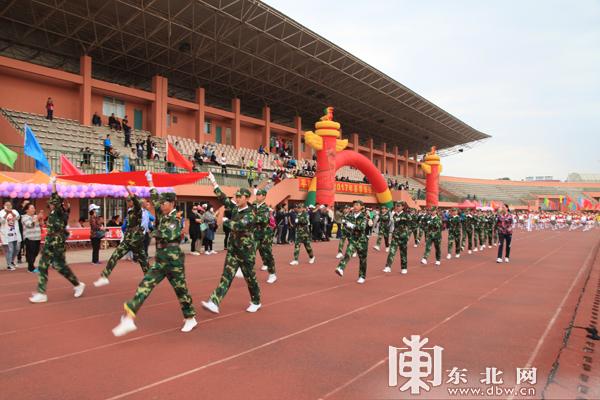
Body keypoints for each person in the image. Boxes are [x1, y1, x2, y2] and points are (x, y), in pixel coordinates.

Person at [112, 172, 197, 336]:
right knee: (145, 285)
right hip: (161, 260)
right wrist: (149, 180)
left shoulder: (175, 218)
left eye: (164, 203)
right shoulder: (163, 214)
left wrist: (154, 232)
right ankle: (129, 319)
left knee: (181, 290)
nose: (160, 205)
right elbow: (154, 197)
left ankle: (190, 317)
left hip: (174, 260)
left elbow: (168, 234)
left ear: (171, 203)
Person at [201, 172, 261, 314]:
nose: (236, 198)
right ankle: (214, 302)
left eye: (239, 196)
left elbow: (239, 226)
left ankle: (256, 301)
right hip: (234, 249)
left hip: (246, 252)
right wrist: (213, 182)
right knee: (226, 275)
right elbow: (223, 198)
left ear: (246, 198)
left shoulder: (250, 214)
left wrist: (227, 222)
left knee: (250, 278)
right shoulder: (235, 208)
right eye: (236, 196)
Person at [29, 176, 85, 303]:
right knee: (43, 265)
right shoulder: (53, 213)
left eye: (53, 201)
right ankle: (42, 293)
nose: (50, 202)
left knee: (60, 266)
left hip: (57, 242)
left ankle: (77, 284)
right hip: (50, 241)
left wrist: (54, 184)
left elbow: (56, 198)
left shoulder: (61, 212)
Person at [94, 187, 150, 287]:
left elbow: (136, 201)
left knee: (143, 261)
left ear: (132, 202)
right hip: (128, 239)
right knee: (115, 255)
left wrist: (127, 189)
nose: (127, 203)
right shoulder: (129, 211)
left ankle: (149, 279)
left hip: (136, 240)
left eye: (128, 201)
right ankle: (104, 276)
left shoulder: (138, 210)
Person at [335, 200, 368, 283]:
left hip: (362, 240)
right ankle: (341, 268)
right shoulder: (350, 216)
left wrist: (352, 225)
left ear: (361, 207)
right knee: (348, 253)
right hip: (353, 238)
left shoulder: (364, 216)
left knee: (362, 259)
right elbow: (345, 224)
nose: (355, 206)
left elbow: (362, 228)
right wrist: (346, 224)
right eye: (354, 205)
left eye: (357, 205)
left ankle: (362, 276)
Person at [254, 189, 276, 283]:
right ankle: (242, 269)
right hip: (255, 234)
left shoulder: (266, 208)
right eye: (257, 194)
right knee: (249, 251)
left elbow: (262, 220)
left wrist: (252, 217)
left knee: (267, 255)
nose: (257, 196)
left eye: (259, 195)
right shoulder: (254, 207)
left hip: (265, 235)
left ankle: (272, 274)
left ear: (263, 196)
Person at [383, 201, 411, 274]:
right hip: (395, 236)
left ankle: (404, 268)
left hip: (403, 236)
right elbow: (391, 224)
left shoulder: (406, 215)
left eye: (398, 206)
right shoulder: (394, 215)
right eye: (396, 206)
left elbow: (410, 224)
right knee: (392, 251)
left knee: (403, 253)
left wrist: (408, 235)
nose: (397, 207)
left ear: (402, 207)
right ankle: (388, 266)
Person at [0, 201, 21, 270]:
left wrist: (11, 213)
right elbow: (2, 221)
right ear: (4, 206)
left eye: (10, 205)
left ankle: (11, 261)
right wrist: (6, 213)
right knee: (10, 250)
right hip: (6, 234)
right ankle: (9, 265)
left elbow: (18, 218)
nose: (8, 206)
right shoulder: (1, 212)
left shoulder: (14, 211)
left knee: (17, 249)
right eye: (7, 205)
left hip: (15, 233)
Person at [21, 203, 41, 273]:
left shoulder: (36, 216)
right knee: (31, 253)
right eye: (32, 208)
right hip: (29, 238)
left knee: (36, 252)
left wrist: (41, 219)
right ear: (27, 210)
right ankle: (31, 268)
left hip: (37, 237)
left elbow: (41, 224)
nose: (34, 209)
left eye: (34, 208)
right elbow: (30, 225)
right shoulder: (24, 217)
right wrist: (36, 219)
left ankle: (31, 266)